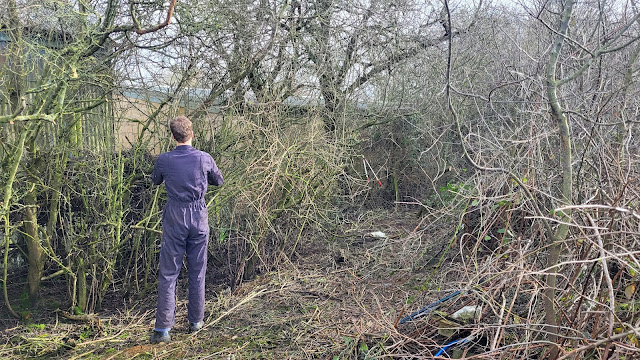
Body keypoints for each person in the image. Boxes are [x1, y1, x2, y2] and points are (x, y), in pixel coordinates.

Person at [149, 116, 223, 344]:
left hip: (174, 217)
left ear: (172, 136)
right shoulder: (204, 158)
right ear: (192, 134)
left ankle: (162, 330)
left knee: (169, 272)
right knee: (197, 270)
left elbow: (155, 180)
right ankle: (196, 322)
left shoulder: (164, 159)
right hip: (198, 217)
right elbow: (218, 181)